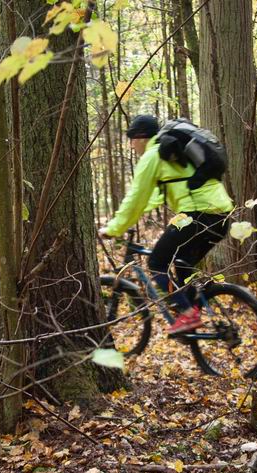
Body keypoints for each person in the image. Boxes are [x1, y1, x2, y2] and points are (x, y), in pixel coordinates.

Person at [99, 115, 234, 334]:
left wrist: (114, 228)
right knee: (182, 265)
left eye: (132, 139)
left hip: (196, 215)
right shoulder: (168, 153)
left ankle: (188, 315)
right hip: (221, 216)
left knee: (156, 262)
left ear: (141, 137)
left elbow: (136, 198)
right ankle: (193, 311)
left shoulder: (153, 156)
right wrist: (132, 217)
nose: (132, 145)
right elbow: (152, 198)